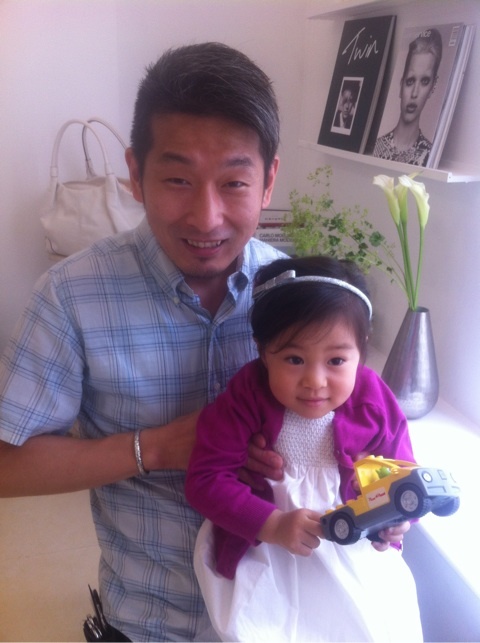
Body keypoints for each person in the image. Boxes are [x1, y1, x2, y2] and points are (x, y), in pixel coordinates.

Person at [0, 42, 286, 641]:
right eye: (178, 179)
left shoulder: (294, 294)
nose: (206, 218)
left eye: (234, 182)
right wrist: (155, 448)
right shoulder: (71, 295)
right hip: (150, 622)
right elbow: (8, 467)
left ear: (268, 181)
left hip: (281, 616)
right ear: (135, 173)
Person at [185, 255, 423, 642]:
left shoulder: (374, 397)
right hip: (264, 551)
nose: (315, 380)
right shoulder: (246, 394)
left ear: (361, 349)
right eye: (294, 359)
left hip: (354, 552)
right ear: (263, 351)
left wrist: (398, 518)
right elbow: (205, 479)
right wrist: (273, 524)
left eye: (336, 360)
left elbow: (404, 475)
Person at [373, 28, 443, 166]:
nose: (414, 93)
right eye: (410, 81)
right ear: (401, 84)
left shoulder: (429, 155)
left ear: (432, 87)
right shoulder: (377, 147)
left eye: (424, 81)